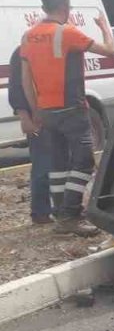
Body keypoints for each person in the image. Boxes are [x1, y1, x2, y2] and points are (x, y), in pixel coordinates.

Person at [20, 0, 114, 237]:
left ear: (44, 8)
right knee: (84, 161)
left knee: (58, 164)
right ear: (65, 7)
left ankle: (60, 215)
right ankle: (70, 215)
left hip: (46, 111)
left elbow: (25, 78)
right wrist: (105, 27)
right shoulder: (68, 33)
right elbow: (109, 51)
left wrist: (35, 110)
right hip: (72, 109)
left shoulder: (28, 36)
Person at [6, 46, 52, 225]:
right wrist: (25, 116)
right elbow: (16, 88)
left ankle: (59, 209)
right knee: (43, 164)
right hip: (38, 118)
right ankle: (41, 213)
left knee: (59, 164)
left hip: (57, 115)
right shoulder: (24, 50)